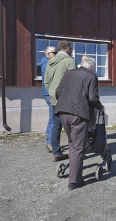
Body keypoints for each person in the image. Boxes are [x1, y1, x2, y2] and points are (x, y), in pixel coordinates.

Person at [55, 57, 104, 190]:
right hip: (79, 114)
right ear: (92, 67)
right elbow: (93, 98)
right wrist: (101, 107)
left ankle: (73, 173)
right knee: (78, 147)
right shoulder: (91, 76)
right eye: (94, 68)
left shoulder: (68, 74)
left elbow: (57, 92)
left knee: (72, 144)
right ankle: (74, 181)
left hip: (62, 111)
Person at [44, 40, 77, 162]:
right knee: (73, 125)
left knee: (56, 125)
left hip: (54, 98)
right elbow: (75, 81)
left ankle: (56, 153)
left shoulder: (50, 61)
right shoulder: (69, 61)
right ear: (68, 48)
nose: (72, 50)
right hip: (67, 98)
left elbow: (46, 81)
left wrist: (53, 92)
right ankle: (76, 152)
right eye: (71, 48)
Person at [41, 46, 57, 153]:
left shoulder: (46, 62)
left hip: (49, 93)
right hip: (50, 94)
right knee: (53, 118)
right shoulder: (47, 63)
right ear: (48, 53)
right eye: (54, 52)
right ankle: (50, 143)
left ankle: (51, 142)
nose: (56, 54)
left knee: (53, 118)